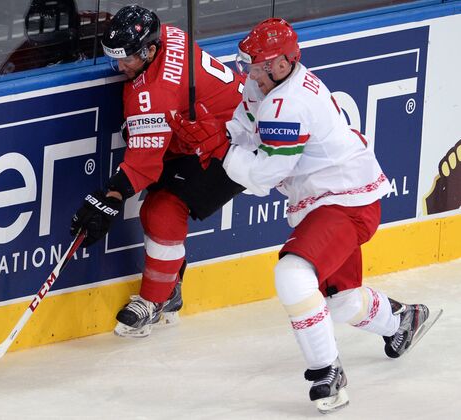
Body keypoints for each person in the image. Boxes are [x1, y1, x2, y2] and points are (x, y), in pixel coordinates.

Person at [168, 18, 433, 413]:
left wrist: (219, 151)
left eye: (255, 65)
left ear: (278, 64)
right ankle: (402, 322)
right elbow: (244, 126)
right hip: (325, 199)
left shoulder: (288, 105)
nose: (247, 72)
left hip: (344, 201)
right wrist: (217, 134)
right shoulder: (267, 84)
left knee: (292, 274)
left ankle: (327, 372)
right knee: (342, 302)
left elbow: (261, 177)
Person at [70, 5, 244, 338]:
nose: (120, 67)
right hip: (201, 132)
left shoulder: (154, 93)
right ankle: (170, 288)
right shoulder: (166, 36)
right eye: (114, 58)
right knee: (158, 199)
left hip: (229, 146)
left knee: (161, 209)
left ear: (150, 51)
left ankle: (156, 300)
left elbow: (142, 166)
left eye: (127, 60)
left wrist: (109, 198)